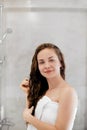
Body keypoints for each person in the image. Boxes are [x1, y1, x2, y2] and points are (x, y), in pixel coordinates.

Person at [20, 43, 78, 130]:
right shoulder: (44, 91)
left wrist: (29, 118)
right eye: (42, 62)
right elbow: (31, 125)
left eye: (51, 60)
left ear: (60, 62)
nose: (47, 66)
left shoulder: (68, 92)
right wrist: (28, 93)